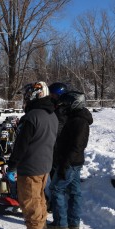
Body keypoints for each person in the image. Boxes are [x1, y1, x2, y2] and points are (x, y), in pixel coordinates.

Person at [6, 81, 58, 229]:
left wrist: (12, 166)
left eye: (28, 95)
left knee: (30, 203)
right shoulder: (52, 114)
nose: (26, 99)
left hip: (30, 167)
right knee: (39, 199)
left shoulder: (31, 117)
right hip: (44, 165)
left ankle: (36, 227)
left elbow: (21, 145)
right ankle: (42, 226)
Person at [48, 91, 93, 229]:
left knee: (56, 189)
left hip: (70, 162)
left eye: (67, 103)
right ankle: (73, 223)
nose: (64, 106)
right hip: (73, 161)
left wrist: (64, 165)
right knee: (74, 192)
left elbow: (77, 146)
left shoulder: (80, 121)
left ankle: (60, 224)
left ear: (74, 104)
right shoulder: (75, 117)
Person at [47, 82, 69, 211]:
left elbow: (57, 130)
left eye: (53, 95)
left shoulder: (61, 110)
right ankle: (55, 200)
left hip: (59, 146)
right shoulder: (56, 107)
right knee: (53, 172)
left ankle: (56, 204)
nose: (51, 97)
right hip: (55, 146)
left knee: (55, 174)